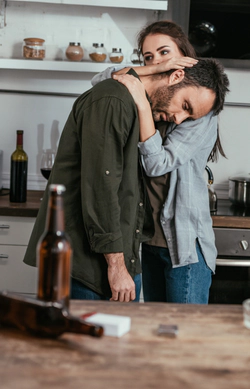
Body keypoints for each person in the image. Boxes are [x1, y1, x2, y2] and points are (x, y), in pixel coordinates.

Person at [23, 45, 229, 304]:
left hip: (131, 256)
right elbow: (102, 187)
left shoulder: (145, 110)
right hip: (90, 264)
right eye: (185, 105)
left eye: (189, 115)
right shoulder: (114, 100)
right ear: (175, 75)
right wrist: (117, 266)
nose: (179, 119)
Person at [92, 20, 230, 304]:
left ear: (183, 58)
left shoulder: (200, 108)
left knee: (184, 339)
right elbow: (100, 82)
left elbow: (156, 164)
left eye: (165, 53)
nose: (157, 61)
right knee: (157, 330)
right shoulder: (158, 98)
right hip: (149, 242)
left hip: (184, 247)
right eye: (148, 57)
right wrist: (154, 71)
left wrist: (142, 106)